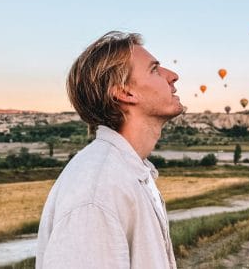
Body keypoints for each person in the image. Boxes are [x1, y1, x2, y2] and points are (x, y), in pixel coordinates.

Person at [36, 31, 183, 268]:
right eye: (154, 69)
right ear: (124, 92)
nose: (173, 76)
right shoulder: (97, 192)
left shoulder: (127, 174)